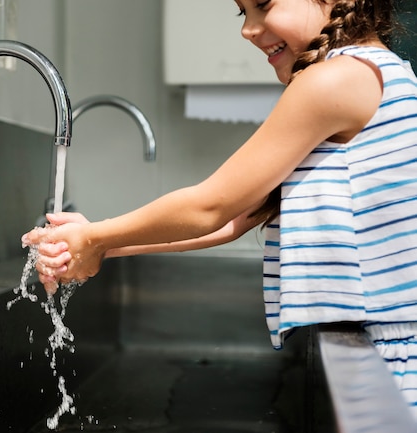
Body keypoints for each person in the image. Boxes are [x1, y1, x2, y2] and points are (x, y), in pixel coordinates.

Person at [23, 0, 417, 419]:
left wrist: (94, 238)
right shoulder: (371, 73)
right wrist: (100, 246)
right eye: (241, 12)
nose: (248, 29)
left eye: (263, 5)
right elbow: (232, 220)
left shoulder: (337, 79)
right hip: (382, 350)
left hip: (392, 361)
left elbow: (211, 205)